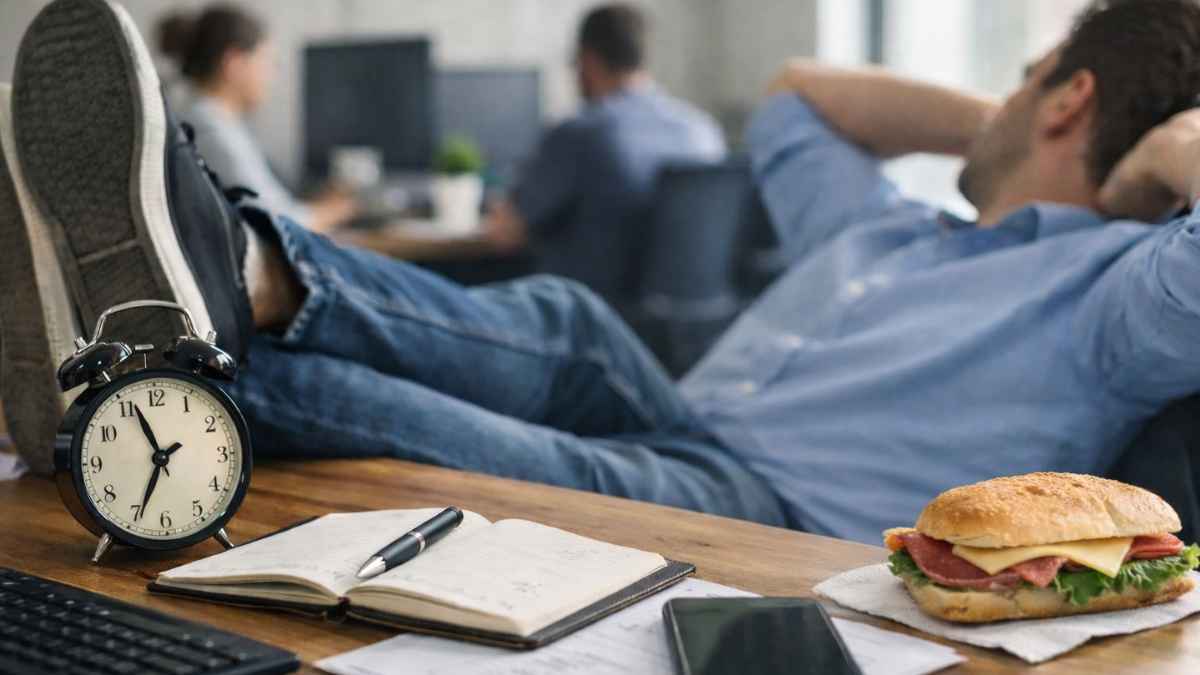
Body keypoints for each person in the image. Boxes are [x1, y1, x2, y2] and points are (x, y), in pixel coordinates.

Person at [6, 0, 1200, 544]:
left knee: (536, 459)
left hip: (773, 515)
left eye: (1030, 74)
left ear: (1073, 95)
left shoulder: (1118, 294)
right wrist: (1023, 117)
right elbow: (798, 94)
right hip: (685, 409)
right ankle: (247, 267)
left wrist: (1146, 166)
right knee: (570, 316)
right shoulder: (897, 226)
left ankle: (118, 361)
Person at [484, 3, 726, 305]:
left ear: (587, 60)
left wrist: (493, 201)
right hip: (691, 332)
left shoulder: (581, 133)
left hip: (589, 324)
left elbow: (505, 235)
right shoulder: (703, 130)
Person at [158, 4, 358, 233]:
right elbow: (278, 221)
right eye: (266, 61)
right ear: (234, 63)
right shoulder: (207, 127)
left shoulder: (214, 122)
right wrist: (336, 210)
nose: (271, 74)